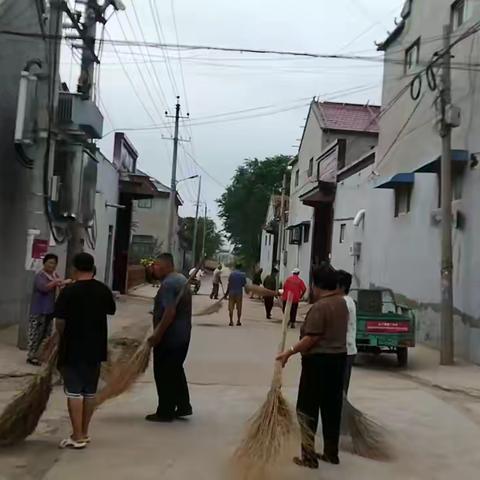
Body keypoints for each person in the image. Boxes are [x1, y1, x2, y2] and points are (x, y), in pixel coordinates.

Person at [276, 265, 348, 468]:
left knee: (307, 409)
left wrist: (289, 351)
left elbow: (311, 339)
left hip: (318, 363)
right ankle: (331, 453)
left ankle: (308, 457)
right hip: (338, 360)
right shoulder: (341, 303)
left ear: (316, 285)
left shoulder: (320, 307)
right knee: (331, 408)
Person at [54, 252, 116, 449]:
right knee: (89, 392)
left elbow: (60, 321)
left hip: (73, 347)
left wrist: (60, 338)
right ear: (92, 268)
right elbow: (111, 310)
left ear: (74, 268)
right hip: (96, 347)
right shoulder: (103, 290)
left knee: (74, 392)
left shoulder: (69, 291)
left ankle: (77, 436)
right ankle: (84, 433)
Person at [147, 253, 193, 422]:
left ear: (166, 265)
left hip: (169, 337)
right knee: (175, 372)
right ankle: (183, 406)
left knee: (164, 373)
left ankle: (165, 411)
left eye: (156, 265)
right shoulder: (180, 279)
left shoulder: (168, 284)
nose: (153, 268)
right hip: (183, 336)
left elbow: (169, 312)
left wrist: (157, 334)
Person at [27, 253, 63, 366]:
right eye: (50, 262)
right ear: (45, 263)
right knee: (35, 334)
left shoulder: (55, 275)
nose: (52, 265)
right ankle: (31, 356)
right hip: (38, 310)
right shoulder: (40, 276)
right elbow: (44, 288)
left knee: (46, 335)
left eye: (54, 263)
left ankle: (40, 356)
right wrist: (56, 282)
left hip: (49, 310)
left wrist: (62, 284)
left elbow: (60, 285)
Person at [337, 270, 357, 395]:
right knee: (342, 388)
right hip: (347, 349)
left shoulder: (343, 302)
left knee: (340, 389)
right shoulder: (349, 300)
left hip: (345, 350)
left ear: (342, 287)